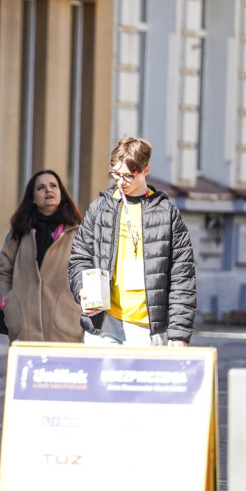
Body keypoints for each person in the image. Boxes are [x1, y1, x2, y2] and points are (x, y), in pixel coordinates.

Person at [67, 137, 196, 347]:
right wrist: (82, 290)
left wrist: (179, 333)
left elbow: (182, 276)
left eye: (128, 176)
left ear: (145, 170)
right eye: (116, 174)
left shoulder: (166, 214)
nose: (120, 181)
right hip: (103, 322)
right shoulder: (100, 208)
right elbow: (79, 257)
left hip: (146, 327)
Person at [0, 170, 84, 342]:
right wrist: (8, 304)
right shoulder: (19, 232)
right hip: (25, 326)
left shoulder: (78, 233)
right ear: (33, 198)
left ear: (61, 193)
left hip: (67, 326)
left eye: (53, 186)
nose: (48, 190)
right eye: (41, 187)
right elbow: (3, 272)